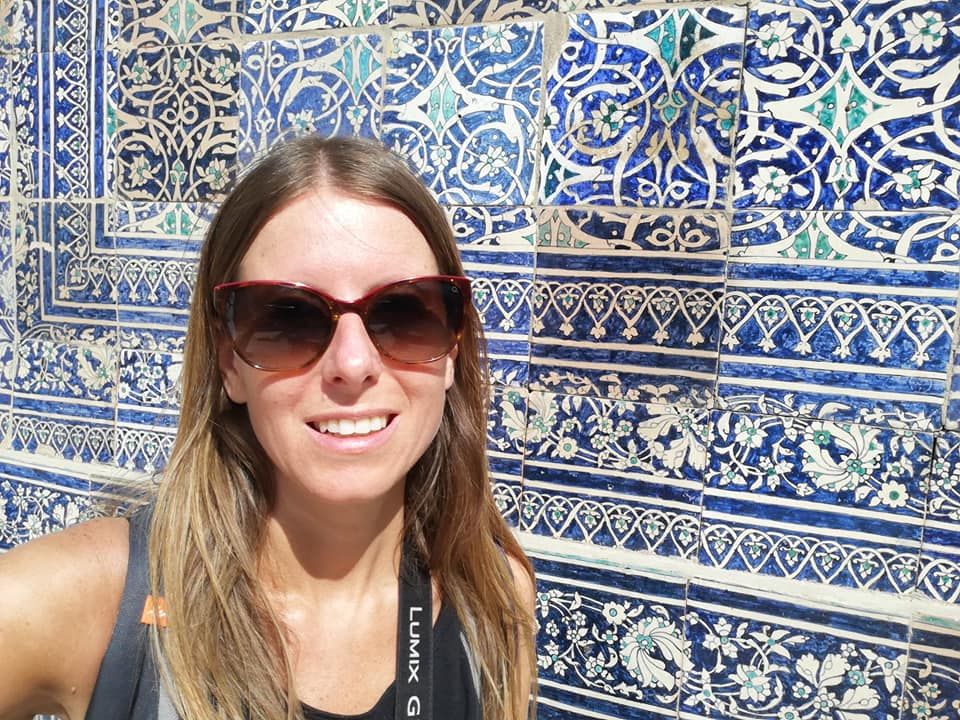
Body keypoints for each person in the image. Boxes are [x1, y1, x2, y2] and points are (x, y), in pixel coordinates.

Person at [0, 135, 537, 720]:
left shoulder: (493, 600)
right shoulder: (88, 600)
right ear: (229, 362)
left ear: (454, 349)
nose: (353, 364)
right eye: (288, 320)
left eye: (405, 313)